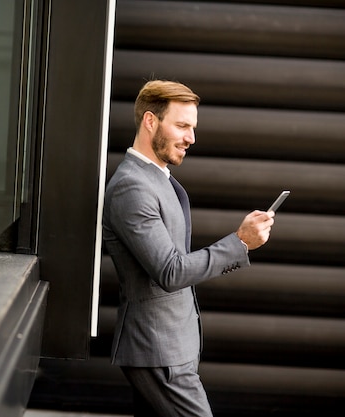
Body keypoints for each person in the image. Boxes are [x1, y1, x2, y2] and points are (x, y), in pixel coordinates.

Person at [102, 80, 275, 416]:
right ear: (150, 121)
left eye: (192, 127)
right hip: (157, 351)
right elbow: (171, 271)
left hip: (173, 347)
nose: (191, 138)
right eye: (182, 126)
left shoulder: (159, 178)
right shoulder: (132, 188)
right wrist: (240, 243)